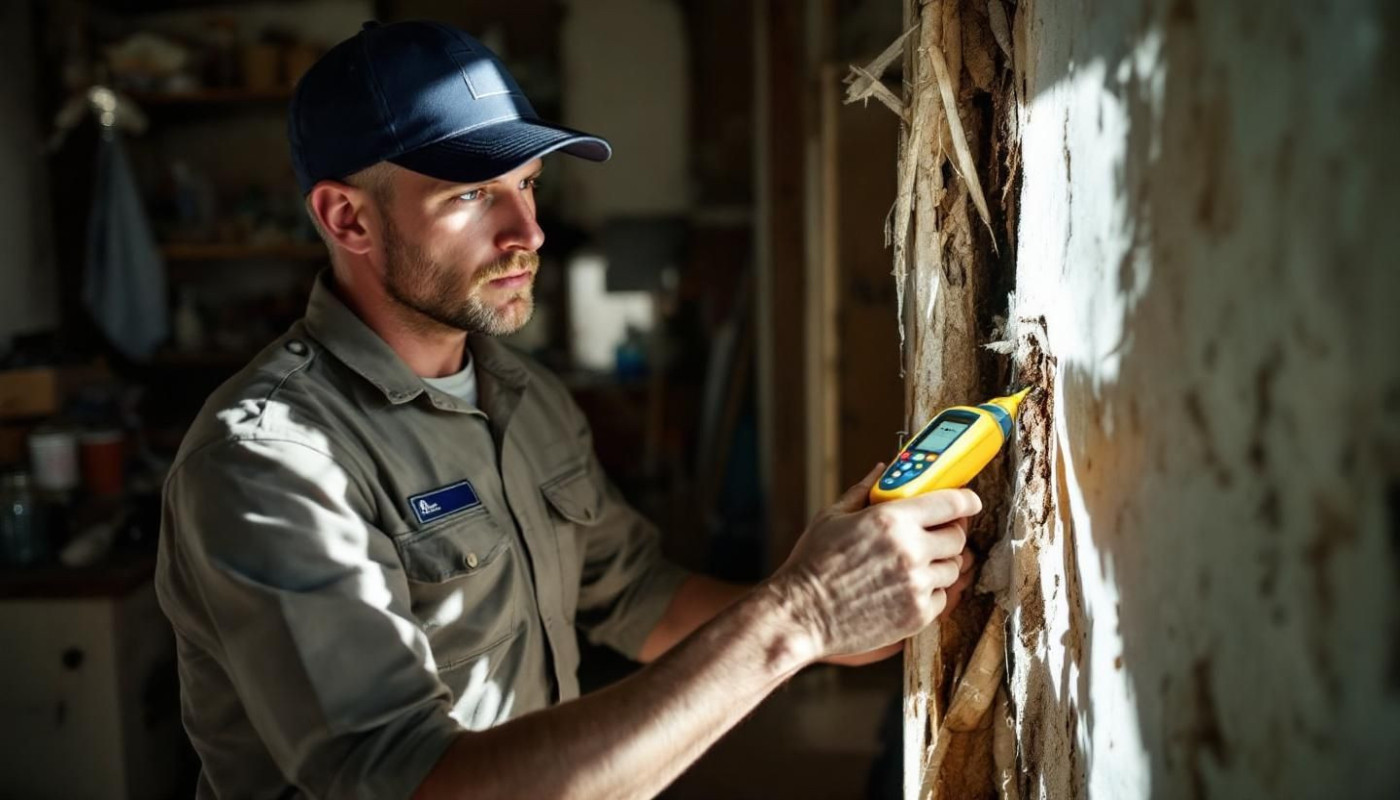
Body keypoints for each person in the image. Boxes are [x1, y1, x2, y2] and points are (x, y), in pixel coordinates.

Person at [155, 20, 980, 800]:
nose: (530, 231)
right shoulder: (271, 461)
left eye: (528, 184)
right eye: (474, 195)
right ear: (348, 217)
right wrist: (798, 616)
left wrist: (835, 624)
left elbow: (635, 593)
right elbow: (405, 782)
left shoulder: (523, 394)